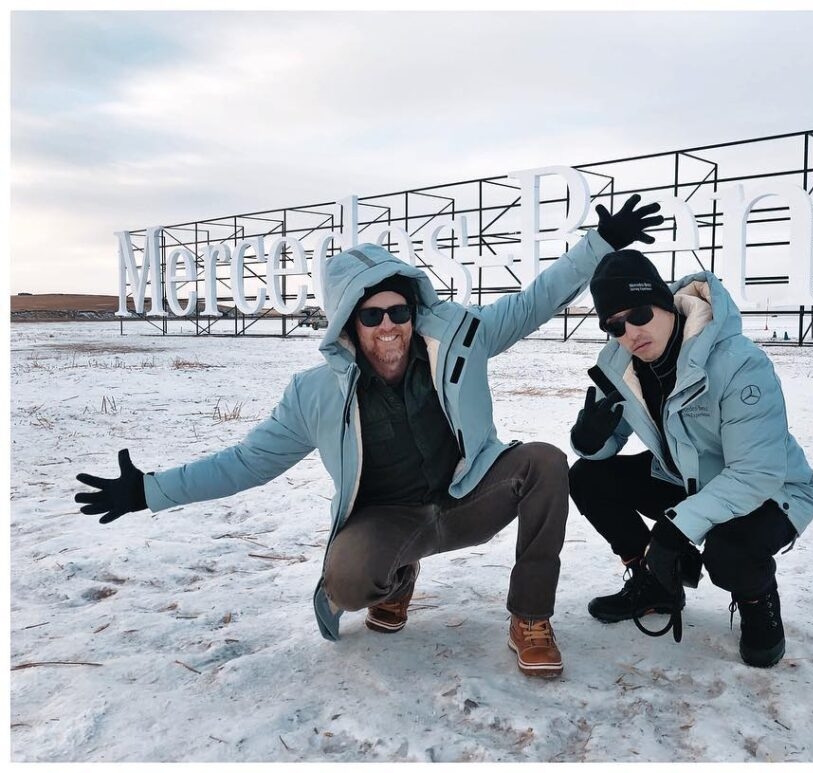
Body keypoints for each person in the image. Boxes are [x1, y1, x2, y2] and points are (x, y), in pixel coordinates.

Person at [74, 195, 663, 679]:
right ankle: (394, 582)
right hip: (391, 517)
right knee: (351, 580)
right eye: (372, 314)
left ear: (414, 310)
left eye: (399, 311)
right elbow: (247, 461)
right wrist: (149, 491)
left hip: (468, 498)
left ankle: (530, 617)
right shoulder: (314, 394)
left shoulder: (460, 335)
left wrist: (600, 245)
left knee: (545, 462)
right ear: (347, 323)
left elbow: (536, 300)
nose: (389, 326)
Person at [568, 249, 813, 667]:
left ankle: (757, 598)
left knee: (727, 552)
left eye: (640, 314)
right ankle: (654, 586)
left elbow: (755, 473)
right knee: (587, 477)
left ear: (665, 302)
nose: (630, 332)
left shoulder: (739, 363)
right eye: (614, 325)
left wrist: (673, 531)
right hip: (685, 478)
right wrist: (588, 437)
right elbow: (602, 444)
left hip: (773, 492)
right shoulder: (617, 364)